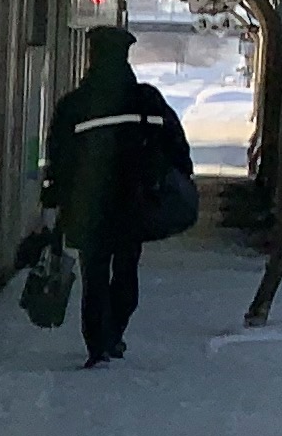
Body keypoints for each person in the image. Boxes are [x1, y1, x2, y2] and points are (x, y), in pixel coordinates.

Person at [42, 24, 190, 368]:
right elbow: (177, 149)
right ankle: (113, 334)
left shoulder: (73, 106)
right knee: (126, 273)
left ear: (91, 58)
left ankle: (97, 345)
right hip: (133, 206)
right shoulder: (147, 100)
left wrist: (54, 202)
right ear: (126, 58)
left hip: (87, 208)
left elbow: (59, 159)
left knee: (93, 277)